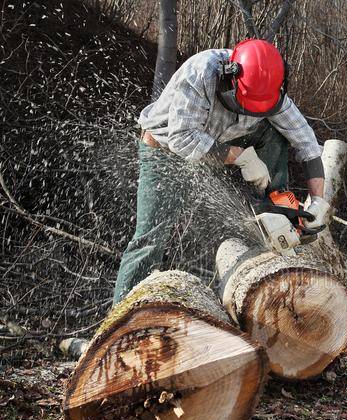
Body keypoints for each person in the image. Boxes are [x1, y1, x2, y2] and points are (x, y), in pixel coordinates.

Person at [112, 39, 329, 304]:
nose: (253, 109)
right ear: (232, 76)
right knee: (150, 238)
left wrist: (318, 198)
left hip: (225, 140)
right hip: (166, 150)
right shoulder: (200, 74)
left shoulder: (269, 85)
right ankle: (119, 314)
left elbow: (305, 140)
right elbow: (181, 139)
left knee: (277, 133)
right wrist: (238, 157)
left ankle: (279, 209)